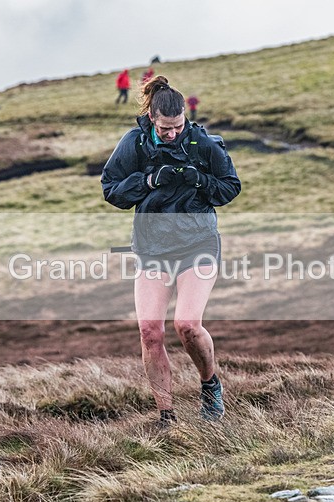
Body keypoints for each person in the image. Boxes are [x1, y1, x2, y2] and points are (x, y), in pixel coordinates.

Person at [101, 76, 241, 427]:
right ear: (151, 118)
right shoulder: (133, 143)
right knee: (150, 331)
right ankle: (167, 416)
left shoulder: (202, 142)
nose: (172, 134)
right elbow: (111, 190)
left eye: (178, 127)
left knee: (187, 325)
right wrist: (148, 181)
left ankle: (211, 387)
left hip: (198, 245)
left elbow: (230, 187)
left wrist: (199, 179)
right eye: (165, 128)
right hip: (152, 248)